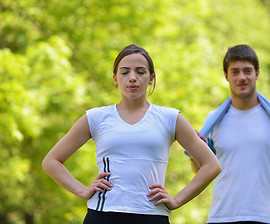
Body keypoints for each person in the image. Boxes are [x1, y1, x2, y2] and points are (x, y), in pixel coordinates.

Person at [42, 44, 221, 224]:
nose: (132, 78)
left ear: (151, 78)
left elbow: (211, 165)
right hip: (103, 215)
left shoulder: (170, 118)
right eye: (125, 72)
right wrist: (82, 190)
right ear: (115, 78)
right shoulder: (96, 117)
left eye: (140, 72)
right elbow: (51, 161)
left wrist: (176, 200)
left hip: (152, 216)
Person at [190, 44, 270, 224]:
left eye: (247, 71)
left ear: (257, 73)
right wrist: (195, 152)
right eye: (235, 72)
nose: (241, 77)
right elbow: (200, 170)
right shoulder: (213, 120)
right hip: (221, 218)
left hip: (267, 218)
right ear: (226, 76)